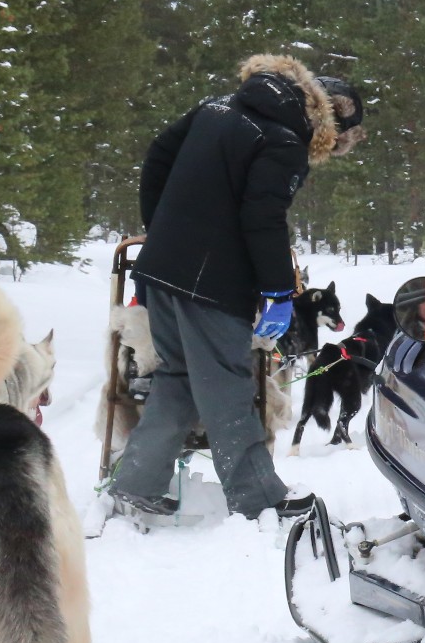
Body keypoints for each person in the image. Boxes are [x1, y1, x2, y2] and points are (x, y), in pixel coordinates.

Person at [105, 56, 366, 520]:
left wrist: (162, 232)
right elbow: (262, 219)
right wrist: (279, 291)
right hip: (211, 283)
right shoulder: (284, 140)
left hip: (163, 270)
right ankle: (258, 498)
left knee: (181, 376)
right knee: (228, 385)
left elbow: (158, 157)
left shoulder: (219, 107)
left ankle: (137, 480)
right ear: (329, 128)